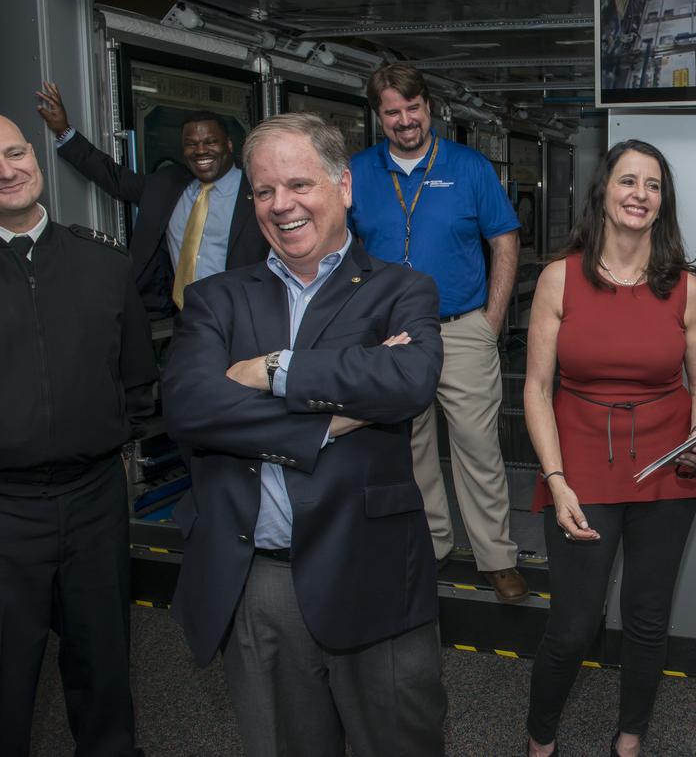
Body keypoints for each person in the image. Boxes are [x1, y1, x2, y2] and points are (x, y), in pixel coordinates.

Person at [162, 113, 448, 756]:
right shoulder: (216, 299)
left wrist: (270, 370)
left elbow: (407, 380)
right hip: (258, 579)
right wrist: (328, 422)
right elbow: (187, 406)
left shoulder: (401, 289)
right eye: (264, 191)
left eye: (299, 184)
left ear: (343, 186)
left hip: (372, 569)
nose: (281, 204)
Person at [523, 139, 696, 757]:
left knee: (646, 617)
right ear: (604, 193)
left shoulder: (685, 287)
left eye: (653, 185)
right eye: (628, 182)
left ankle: (630, 738)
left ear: (663, 203)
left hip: (668, 464)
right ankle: (540, 740)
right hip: (579, 459)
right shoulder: (560, 277)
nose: (640, 194)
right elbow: (535, 389)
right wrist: (555, 482)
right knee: (573, 624)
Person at [0, 114, 157, 756]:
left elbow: (138, 381)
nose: (8, 170)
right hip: (5, 507)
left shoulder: (103, 265)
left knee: (103, 659)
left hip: (95, 499)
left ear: (34, 156)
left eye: (14, 152)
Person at [349, 63, 528, 603]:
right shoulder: (356, 173)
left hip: (462, 329)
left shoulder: (469, 168)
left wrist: (491, 321)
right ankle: (432, 544)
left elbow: (505, 242)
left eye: (413, 108)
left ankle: (496, 556)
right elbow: (341, 253)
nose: (405, 121)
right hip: (391, 338)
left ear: (430, 108)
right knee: (412, 447)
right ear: (378, 116)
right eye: (392, 111)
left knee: (477, 446)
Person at [35, 81, 268, 314]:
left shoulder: (259, 190)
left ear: (228, 145)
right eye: (191, 144)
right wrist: (63, 131)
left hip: (245, 314)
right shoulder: (166, 185)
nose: (200, 151)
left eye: (210, 142)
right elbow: (113, 177)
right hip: (186, 317)